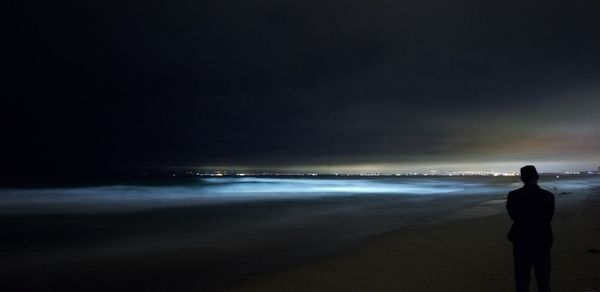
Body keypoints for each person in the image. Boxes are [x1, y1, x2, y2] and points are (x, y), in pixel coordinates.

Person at [506, 165, 555, 292]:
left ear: (522, 179)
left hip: (521, 240)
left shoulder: (513, 195)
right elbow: (548, 218)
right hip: (542, 240)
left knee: (522, 281)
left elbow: (514, 216)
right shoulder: (548, 196)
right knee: (543, 281)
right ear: (537, 177)